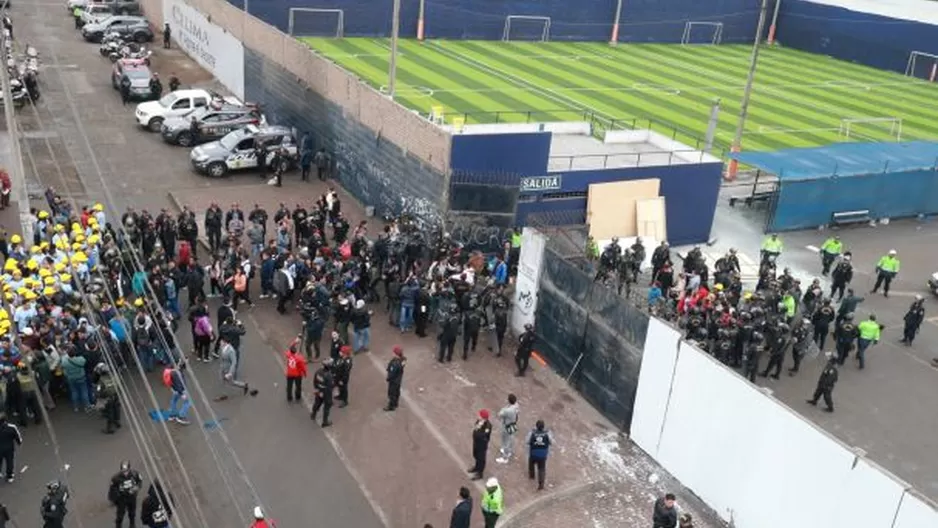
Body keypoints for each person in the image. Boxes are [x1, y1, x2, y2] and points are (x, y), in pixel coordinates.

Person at [217, 335, 257, 400]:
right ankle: (224, 395)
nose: (220, 342)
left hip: (228, 369)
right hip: (223, 368)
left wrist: (230, 373)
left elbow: (234, 362)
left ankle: (244, 385)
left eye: (221, 341)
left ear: (225, 342)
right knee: (222, 380)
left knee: (231, 382)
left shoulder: (231, 351)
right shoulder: (223, 347)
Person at [109, 461, 142, 528]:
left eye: (126, 471)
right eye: (123, 471)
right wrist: (113, 499)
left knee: (132, 513)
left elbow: (140, 482)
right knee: (120, 515)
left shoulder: (135, 474)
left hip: (132, 497)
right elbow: (112, 489)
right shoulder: (116, 478)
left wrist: (137, 487)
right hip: (122, 498)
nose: (125, 473)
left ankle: (132, 524)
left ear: (129, 469)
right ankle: (118, 526)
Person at [95, 362, 121, 434]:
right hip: (115, 396)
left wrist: (98, 396)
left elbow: (98, 391)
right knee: (116, 410)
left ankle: (109, 429)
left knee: (109, 413)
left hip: (107, 398)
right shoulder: (114, 376)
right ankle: (117, 423)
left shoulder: (101, 380)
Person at [527, 419, 553, 490]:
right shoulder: (547, 434)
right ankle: (541, 484)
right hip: (543, 454)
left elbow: (527, 441)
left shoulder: (532, 433)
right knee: (541, 469)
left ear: (536, 426)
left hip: (533, 453)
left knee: (531, 463)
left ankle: (532, 476)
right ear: (543, 426)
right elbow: (551, 442)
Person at [467, 409, 492, 480]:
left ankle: (480, 473)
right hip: (476, 442)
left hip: (482, 444)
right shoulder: (479, 421)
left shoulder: (488, 426)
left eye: (480, 415)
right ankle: (476, 467)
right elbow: (475, 426)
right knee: (475, 454)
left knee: (481, 458)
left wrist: (477, 430)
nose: (478, 416)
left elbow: (484, 435)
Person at [495, 394, 519, 464]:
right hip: (513, 424)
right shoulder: (516, 406)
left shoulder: (507, 411)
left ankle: (505, 458)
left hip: (506, 426)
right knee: (510, 439)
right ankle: (509, 452)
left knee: (506, 441)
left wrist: (504, 408)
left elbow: (499, 414)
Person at [310, 358, 334, 427]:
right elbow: (330, 387)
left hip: (319, 391)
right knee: (327, 407)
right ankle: (325, 422)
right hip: (326, 393)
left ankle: (313, 414)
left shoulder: (318, 371)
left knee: (317, 403)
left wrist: (317, 389)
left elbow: (314, 381)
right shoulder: (328, 375)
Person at [0, 414, 22, 483]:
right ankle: (9, 476)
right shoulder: (12, 427)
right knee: (9, 462)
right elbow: (18, 436)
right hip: (9, 448)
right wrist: (19, 442)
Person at [284, 337, 307, 403]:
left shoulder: (288, 355)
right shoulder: (299, 358)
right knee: (298, 386)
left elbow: (290, 347)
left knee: (289, 386)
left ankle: (289, 397)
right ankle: (298, 396)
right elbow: (303, 367)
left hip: (289, 373)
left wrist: (295, 342)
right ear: (296, 352)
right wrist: (305, 373)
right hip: (297, 374)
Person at [384, 345, 405, 411]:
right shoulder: (403, 360)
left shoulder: (395, 363)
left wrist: (388, 378)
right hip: (399, 379)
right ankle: (396, 403)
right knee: (397, 392)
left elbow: (392, 373)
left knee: (391, 393)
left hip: (393, 381)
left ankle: (391, 406)